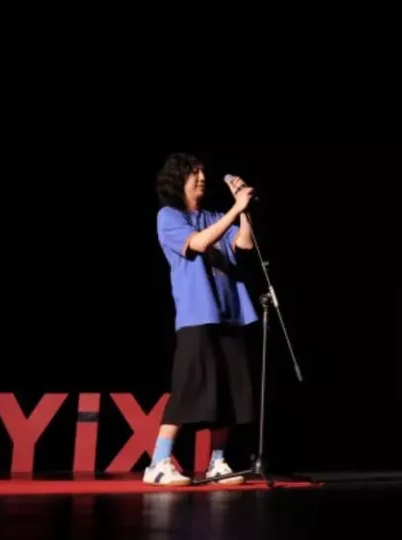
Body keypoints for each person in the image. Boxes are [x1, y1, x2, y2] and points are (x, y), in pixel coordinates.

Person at [145, 152, 259, 486]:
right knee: (188, 388)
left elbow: (244, 244)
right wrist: (235, 210)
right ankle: (158, 462)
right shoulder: (168, 217)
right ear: (177, 179)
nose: (202, 178)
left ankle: (217, 462)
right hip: (197, 314)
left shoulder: (214, 215)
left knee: (231, 392)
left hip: (230, 313)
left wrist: (243, 208)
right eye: (194, 173)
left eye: (202, 173)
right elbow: (197, 243)